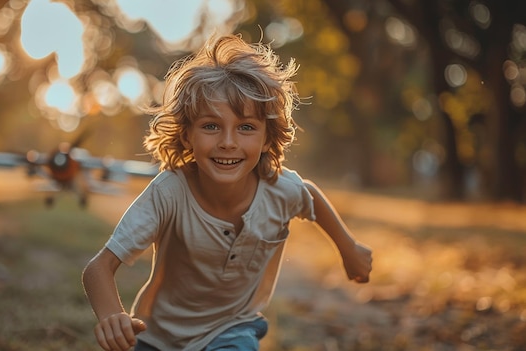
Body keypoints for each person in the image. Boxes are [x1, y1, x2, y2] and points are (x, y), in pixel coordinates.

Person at [82, 34, 373, 351]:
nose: (228, 142)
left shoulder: (279, 190)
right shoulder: (169, 192)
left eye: (246, 127)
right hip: (157, 337)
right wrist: (112, 315)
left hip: (232, 327)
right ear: (187, 135)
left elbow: (309, 195)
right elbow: (98, 269)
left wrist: (349, 248)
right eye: (210, 126)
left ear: (266, 138)